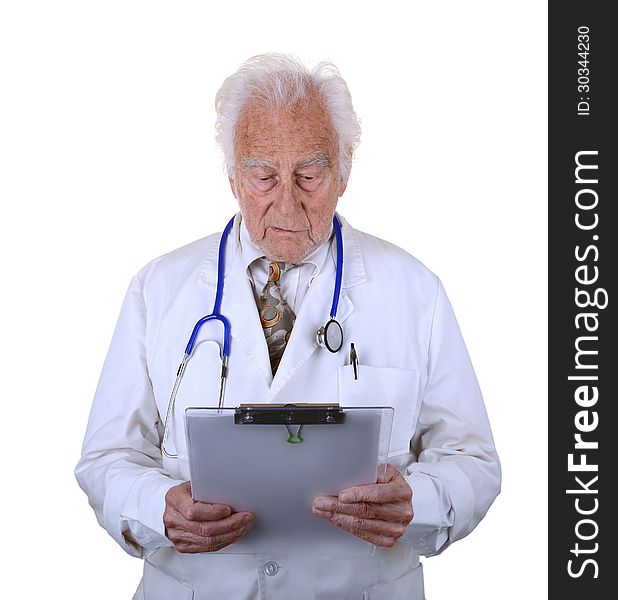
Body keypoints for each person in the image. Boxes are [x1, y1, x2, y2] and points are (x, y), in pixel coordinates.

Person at [76, 53, 500, 600]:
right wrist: (155, 507)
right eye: (262, 176)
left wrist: (418, 501)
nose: (286, 201)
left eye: (309, 174)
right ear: (231, 175)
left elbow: (474, 461)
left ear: (344, 170)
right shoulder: (158, 289)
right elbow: (106, 458)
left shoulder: (415, 290)